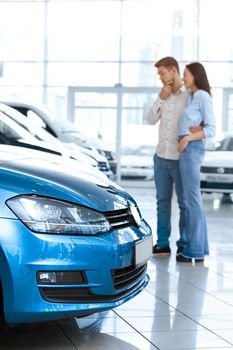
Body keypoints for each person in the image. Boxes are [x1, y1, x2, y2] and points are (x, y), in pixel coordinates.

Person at [147, 56, 189, 256]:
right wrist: (160, 98)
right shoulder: (163, 95)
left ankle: (185, 245)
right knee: (162, 202)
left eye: (162, 73)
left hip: (180, 159)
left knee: (184, 203)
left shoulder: (188, 96)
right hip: (161, 157)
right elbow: (150, 119)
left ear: (173, 71)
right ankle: (163, 243)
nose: (161, 78)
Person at [176, 62, 215, 263]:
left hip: (192, 148)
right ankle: (191, 245)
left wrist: (187, 138)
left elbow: (211, 129)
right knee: (186, 200)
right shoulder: (191, 96)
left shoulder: (203, 97)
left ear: (195, 75)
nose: (183, 77)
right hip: (185, 149)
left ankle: (196, 250)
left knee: (192, 199)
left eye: (186, 74)